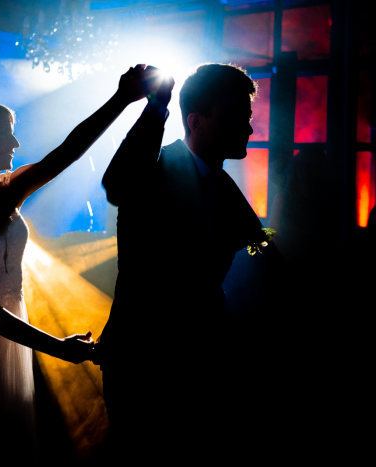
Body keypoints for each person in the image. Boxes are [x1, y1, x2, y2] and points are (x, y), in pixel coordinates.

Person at [0, 66, 152, 464]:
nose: (15, 141)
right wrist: (56, 347)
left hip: (11, 324)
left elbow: (68, 151)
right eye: (4, 132)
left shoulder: (11, 188)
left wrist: (122, 99)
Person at [98, 64, 267, 461]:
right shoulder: (153, 174)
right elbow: (118, 183)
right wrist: (158, 103)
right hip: (142, 364)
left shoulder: (227, 193)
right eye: (238, 118)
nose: (249, 129)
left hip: (201, 366)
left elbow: (256, 261)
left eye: (248, 118)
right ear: (197, 121)